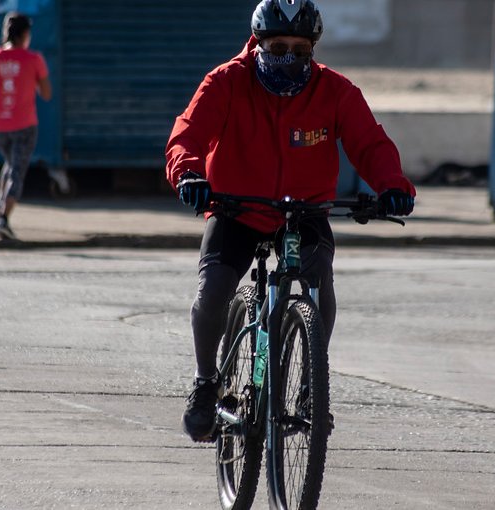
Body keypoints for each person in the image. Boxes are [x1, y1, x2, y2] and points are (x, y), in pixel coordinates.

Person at [166, 0, 417, 442]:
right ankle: (206, 384)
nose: (289, 56)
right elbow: (187, 134)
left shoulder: (335, 91)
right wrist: (189, 174)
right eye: (278, 45)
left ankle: (309, 391)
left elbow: (370, 144)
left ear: (314, 48)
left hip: (304, 212)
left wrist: (392, 186)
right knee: (212, 292)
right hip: (235, 209)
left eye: (301, 48)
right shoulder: (225, 82)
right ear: (258, 42)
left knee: (320, 278)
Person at [0, 13, 51, 241]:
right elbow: (47, 94)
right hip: (25, 125)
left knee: (10, 163)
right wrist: (34, 83)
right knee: (17, 170)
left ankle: (0, 204)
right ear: (25, 34)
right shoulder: (34, 59)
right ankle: (4, 220)